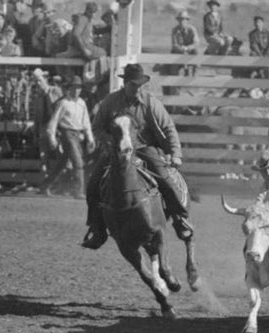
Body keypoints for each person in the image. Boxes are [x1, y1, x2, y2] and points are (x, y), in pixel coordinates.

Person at [82, 63, 193, 249]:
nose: (138, 88)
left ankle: (180, 218)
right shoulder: (110, 102)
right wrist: (113, 142)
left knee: (165, 179)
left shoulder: (150, 102)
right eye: (134, 84)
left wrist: (175, 154)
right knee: (93, 184)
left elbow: (168, 128)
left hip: (144, 148)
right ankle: (97, 228)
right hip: (116, 151)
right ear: (125, 83)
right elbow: (97, 127)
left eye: (141, 84)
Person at [42, 75, 93, 198]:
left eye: (79, 88)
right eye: (74, 88)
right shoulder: (63, 103)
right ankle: (78, 191)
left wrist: (90, 138)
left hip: (77, 134)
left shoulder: (82, 103)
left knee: (62, 162)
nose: (77, 91)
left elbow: (86, 122)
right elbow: (53, 122)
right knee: (78, 162)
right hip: (67, 133)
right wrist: (52, 137)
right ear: (69, 89)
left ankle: (46, 185)